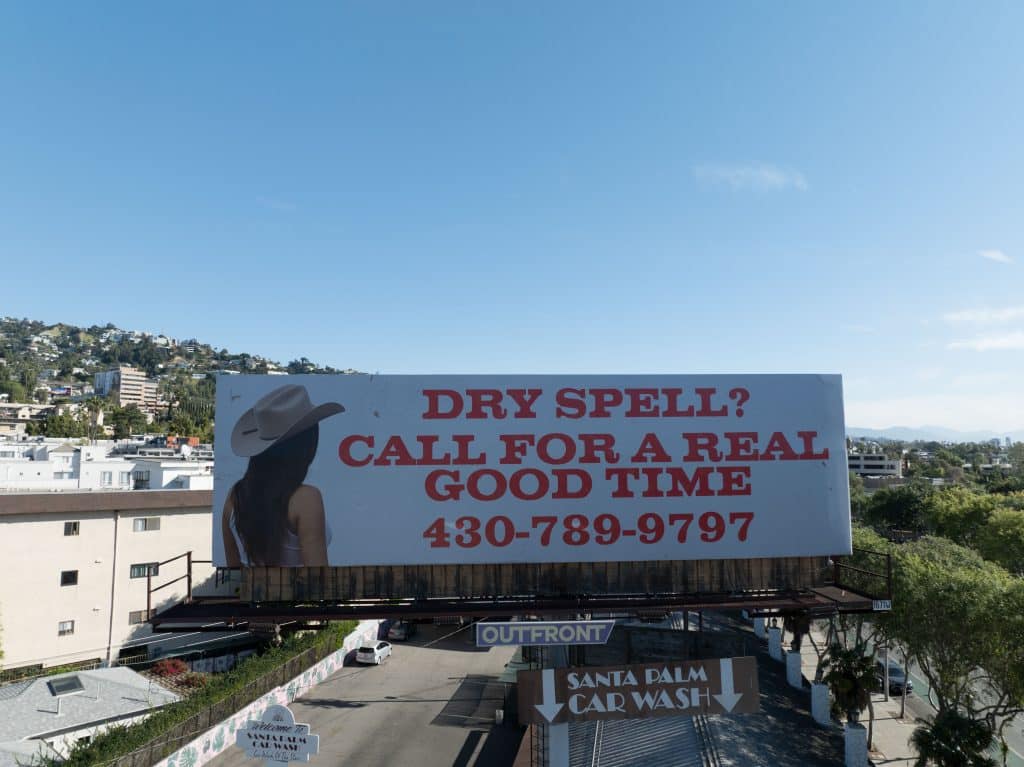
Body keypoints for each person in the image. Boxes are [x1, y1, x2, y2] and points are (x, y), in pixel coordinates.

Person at [222, 384, 343, 567]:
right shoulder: (306, 498)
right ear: (307, 445)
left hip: (252, 587)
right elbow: (318, 577)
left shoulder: (235, 495)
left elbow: (233, 570)